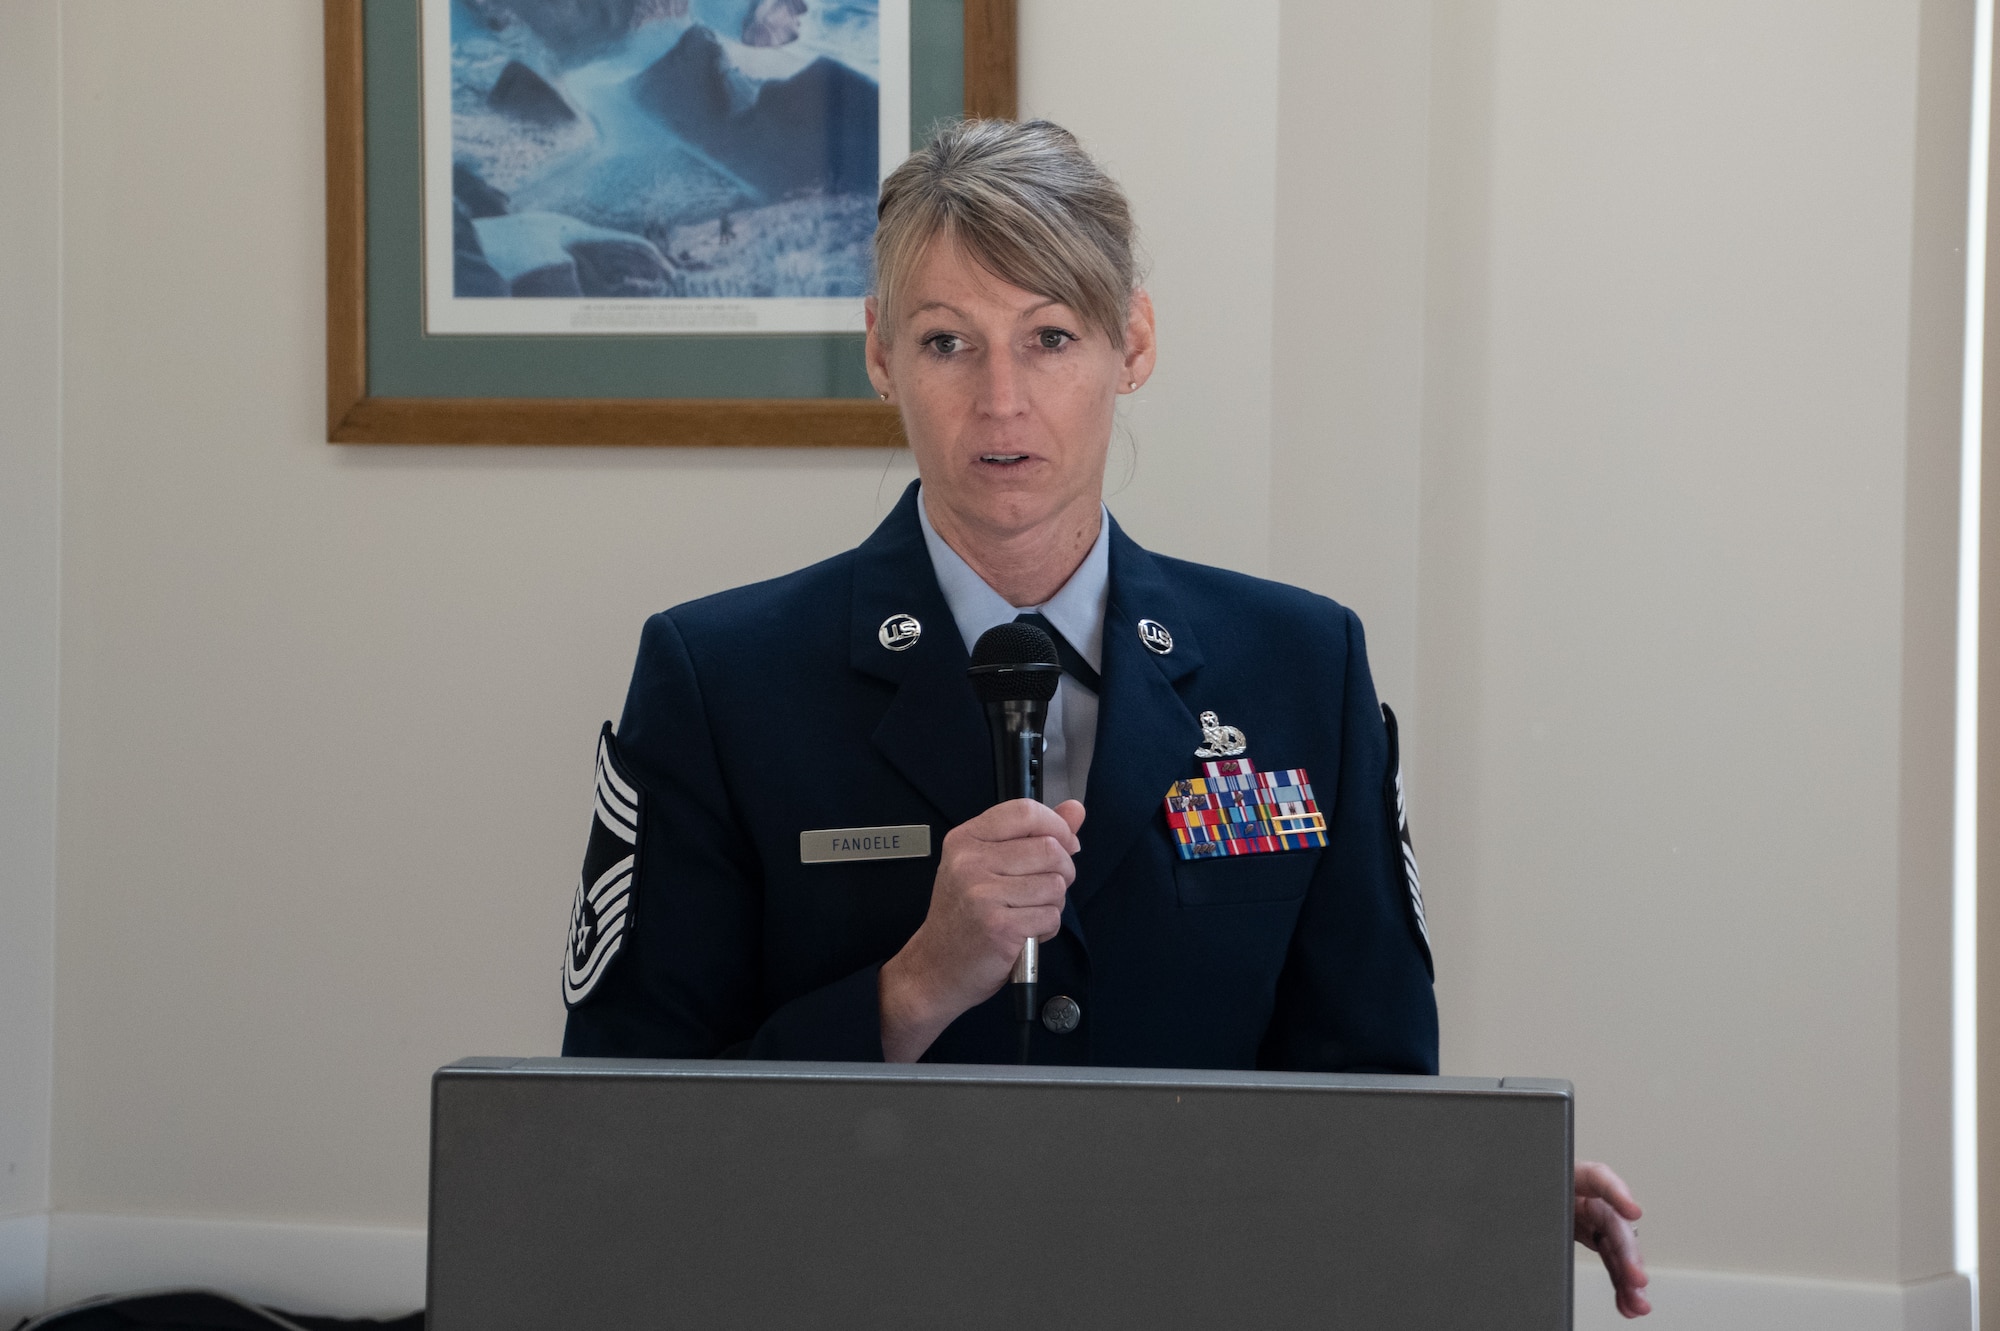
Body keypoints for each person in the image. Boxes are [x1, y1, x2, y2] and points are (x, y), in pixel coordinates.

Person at [559, 118, 1650, 1318]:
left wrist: (1480, 1184)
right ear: (878, 354)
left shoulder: (1300, 664)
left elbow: (1365, 1079)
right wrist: (911, 986)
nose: (1000, 400)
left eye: (1050, 336)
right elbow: (616, 1132)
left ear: (1130, 342)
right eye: (944, 342)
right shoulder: (719, 677)